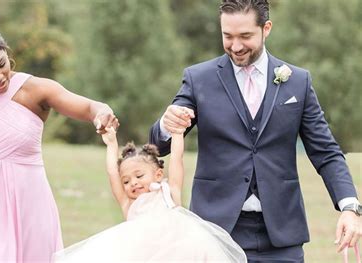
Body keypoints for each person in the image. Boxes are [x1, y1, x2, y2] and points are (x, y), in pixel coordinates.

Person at [149, 0, 361, 261]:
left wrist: (350, 207)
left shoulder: (298, 82)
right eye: (228, 36)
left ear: (266, 28)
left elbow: (326, 152)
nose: (235, 46)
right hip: (215, 232)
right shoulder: (198, 78)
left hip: (282, 236)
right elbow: (159, 145)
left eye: (245, 36)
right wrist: (167, 123)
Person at [0, 23, 119, 262]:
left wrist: (102, 111)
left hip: (31, 208)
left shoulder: (36, 89)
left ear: (7, 53)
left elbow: (90, 107)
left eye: (1, 65)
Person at [53, 125, 247, 262]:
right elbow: (113, 172)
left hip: (182, 252)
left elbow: (177, 161)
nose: (133, 183)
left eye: (139, 175)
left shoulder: (169, 193)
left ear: (158, 174)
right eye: (126, 181)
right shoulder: (127, 204)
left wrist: (178, 134)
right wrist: (112, 144)